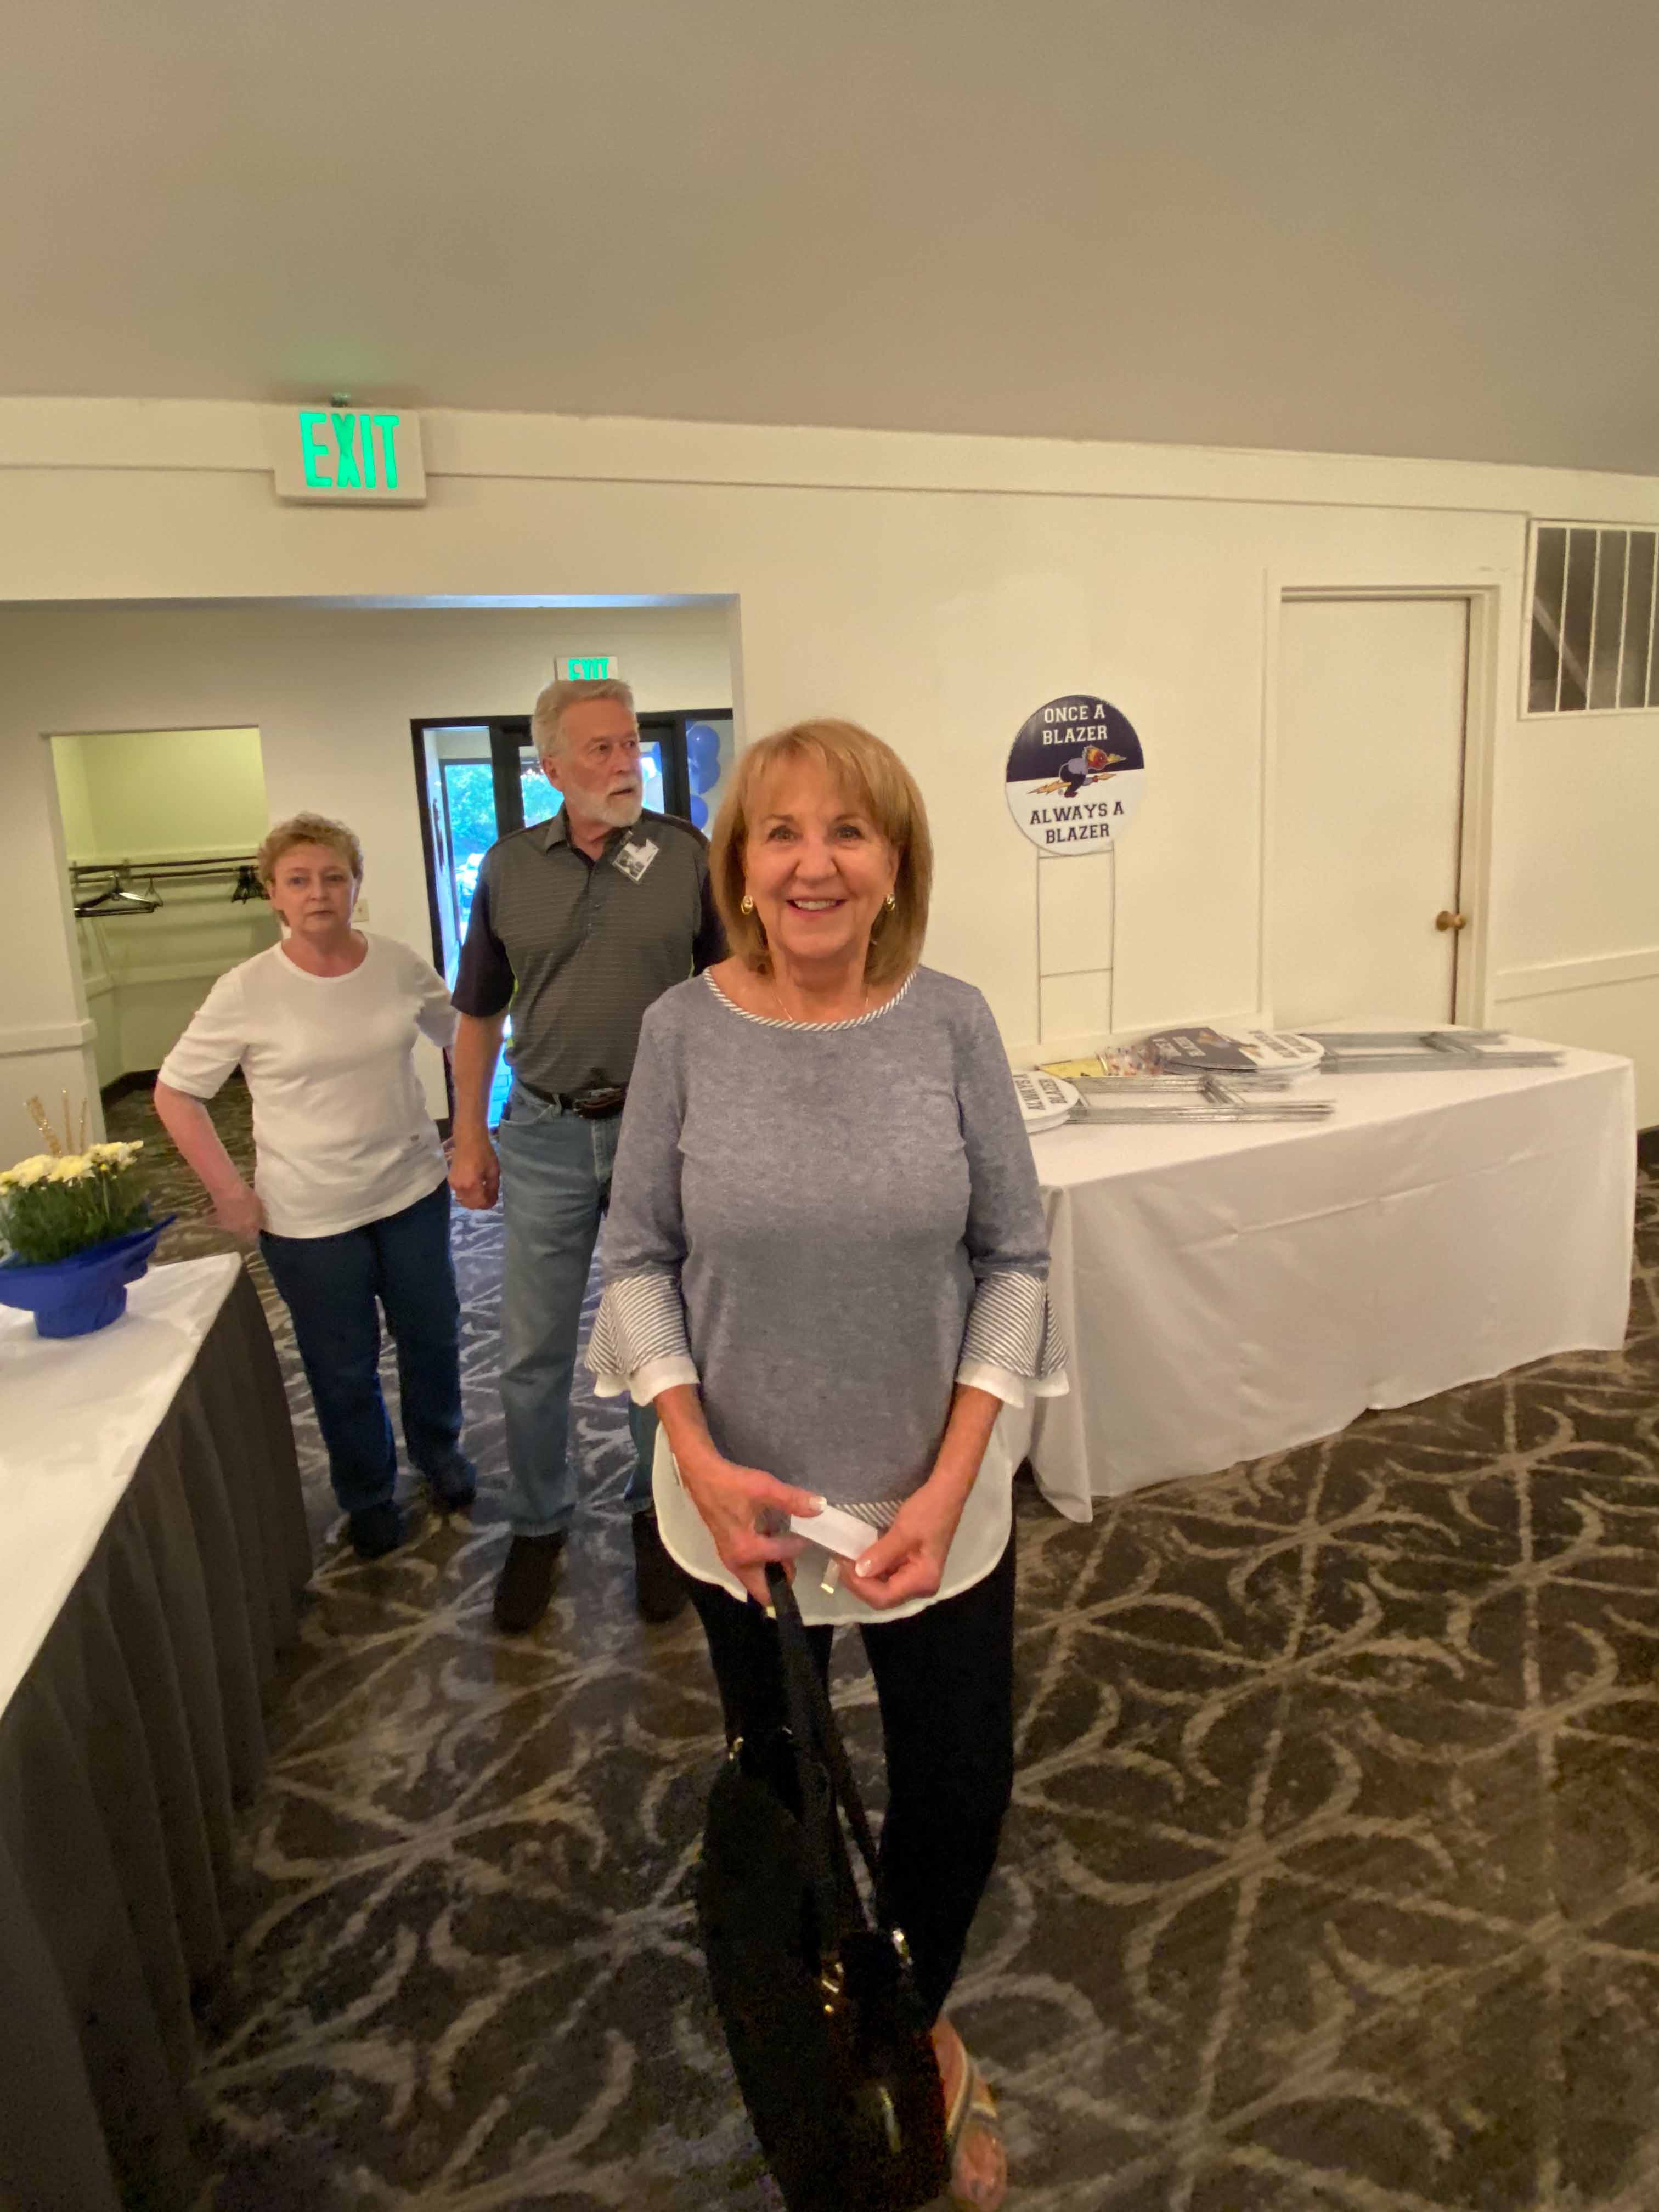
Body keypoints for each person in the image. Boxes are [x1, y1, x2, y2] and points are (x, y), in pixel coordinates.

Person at [586, 719, 1066, 2210]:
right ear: (738, 867)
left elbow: (1016, 1258)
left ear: (895, 864)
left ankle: (909, 2029)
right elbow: (635, 1259)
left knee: (958, 1791)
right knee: (786, 1789)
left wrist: (951, 1481)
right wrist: (694, 1455)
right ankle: (822, 2035)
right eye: (781, 832)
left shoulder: (954, 1023)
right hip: (742, 1514)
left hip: (932, 1504)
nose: (814, 863)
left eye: (849, 831)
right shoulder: (680, 1033)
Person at [448, 675, 723, 1633]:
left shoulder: (685, 856)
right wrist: (469, 1135)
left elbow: (733, 993)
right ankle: (537, 1522)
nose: (623, 762)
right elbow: (478, 1014)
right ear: (551, 767)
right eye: (600, 748)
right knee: (532, 1349)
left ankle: (658, 1516)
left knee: (659, 1337)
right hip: (545, 1133)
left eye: (630, 742)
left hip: (662, 1132)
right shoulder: (508, 869)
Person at [154, 811, 474, 1560]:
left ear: (356, 885)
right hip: (307, 1216)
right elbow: (176, 1093)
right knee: (342, 1365)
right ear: (272, 893)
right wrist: (229, 1192)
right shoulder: (246, 989)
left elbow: (461, 1036)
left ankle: (439, 1452)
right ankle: (368, 1492)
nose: (318, 893)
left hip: (410, 1192)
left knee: (432, 1336)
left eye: (334, 877)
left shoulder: (397, 965)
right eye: (298, 880)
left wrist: (470, 1127)